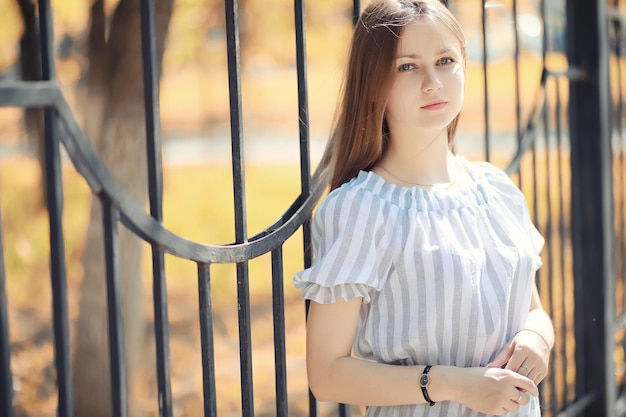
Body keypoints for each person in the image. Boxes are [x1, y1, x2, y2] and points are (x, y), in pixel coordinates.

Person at [292, 0, 555, 416]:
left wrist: (539, 340)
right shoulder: (362, 209)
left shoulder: (497, 190)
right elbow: (326, 373)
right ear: (374, 82)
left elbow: (534, 311)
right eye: (407, 67)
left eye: (445, 60)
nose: (433, 82)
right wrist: (455, 385)